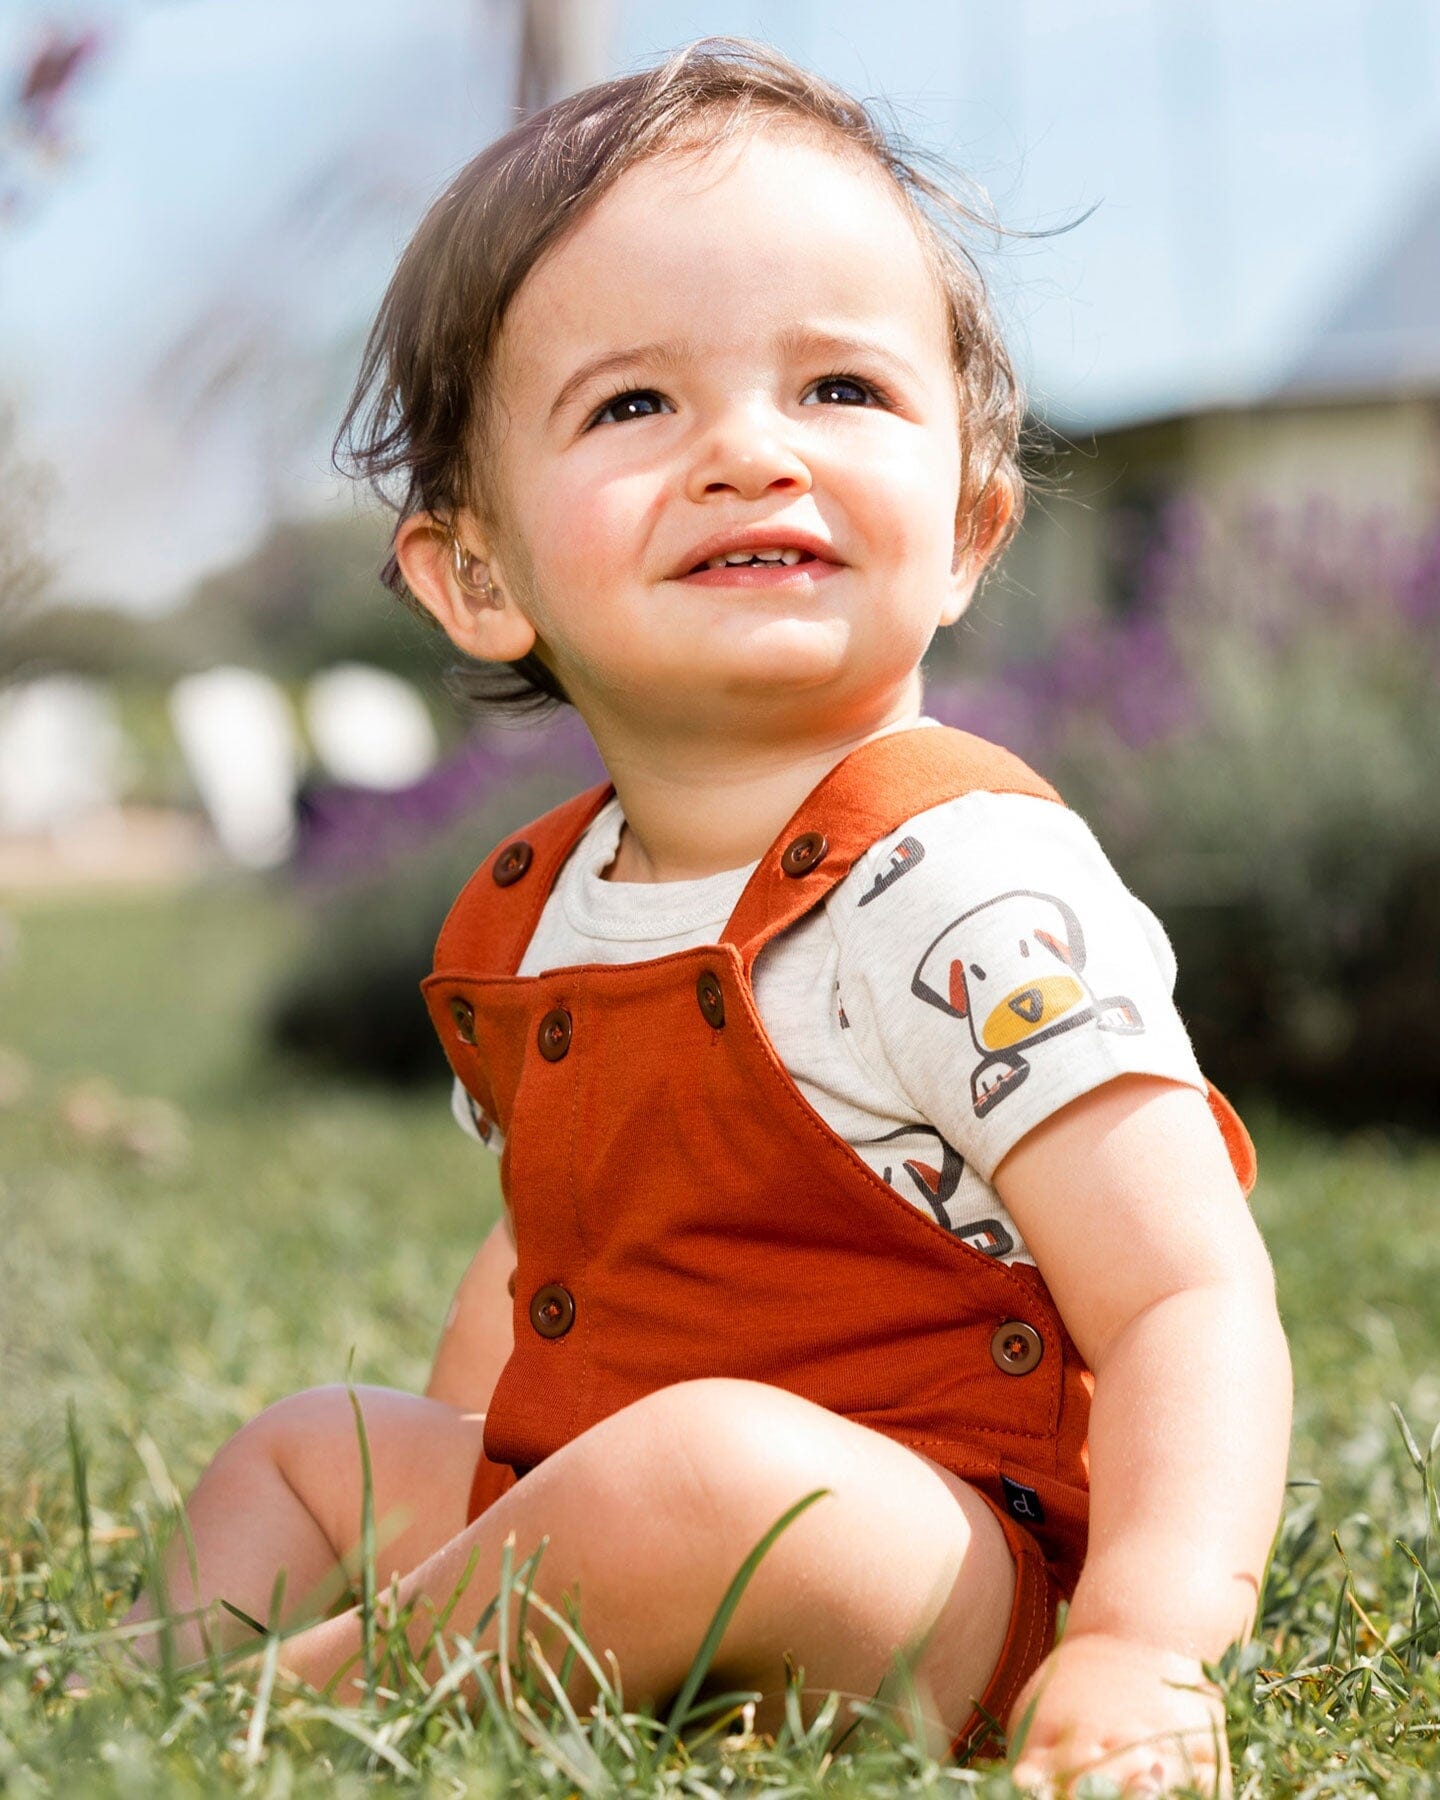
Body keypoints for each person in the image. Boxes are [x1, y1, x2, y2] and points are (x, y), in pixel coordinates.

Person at [123, 40, 1292, 1796]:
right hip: (628, 1489)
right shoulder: (539, 911)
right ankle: (121, 1705)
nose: (751, 452)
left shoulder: (967, 888)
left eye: (837, 388)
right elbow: (552, 1257)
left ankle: (316, 1706)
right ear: (482, 577)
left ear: (972, 524)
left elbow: (1190, 1297)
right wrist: (504, 1478)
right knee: (307, 1451)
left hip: (936, 1561)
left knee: (709, 1473)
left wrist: (1143, 1634)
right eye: (634, 406)